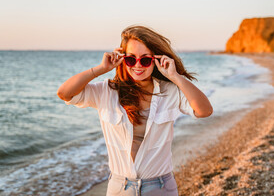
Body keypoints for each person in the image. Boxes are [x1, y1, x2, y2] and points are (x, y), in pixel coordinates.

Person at [57, 25, 213, 196]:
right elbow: (64, 93)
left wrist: (175, 76)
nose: (137, 65)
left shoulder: (170, 91)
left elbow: (204, 111)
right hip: (119, 187)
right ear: (123, 59)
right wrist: (100, 69)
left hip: (161, 187)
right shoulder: (107, 91)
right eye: (131, 59)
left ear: (156, 60)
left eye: (145, 60)